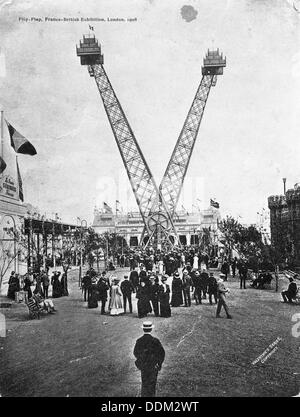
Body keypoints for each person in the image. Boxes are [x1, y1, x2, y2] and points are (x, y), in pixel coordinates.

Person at [133, 321, 165, 397]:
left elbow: (135, 352)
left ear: (143, 329)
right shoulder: (155, 341)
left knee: (144, 383)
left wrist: (140, 361)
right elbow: (162, 353)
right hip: (153, 366)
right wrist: (159, 363)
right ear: (151, 329)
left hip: (144, 366)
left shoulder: (139, 340)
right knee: (152, 384)